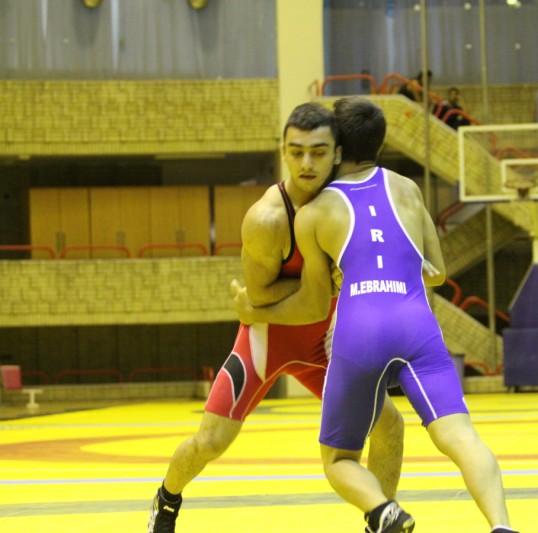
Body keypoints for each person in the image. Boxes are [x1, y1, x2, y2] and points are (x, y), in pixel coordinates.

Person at [232, 96, 517, 533]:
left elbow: (313, 304)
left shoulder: (313, 213)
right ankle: (502, 525)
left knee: (338, 460)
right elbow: (437, 273)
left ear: (338, 149)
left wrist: (255, 309)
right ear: (379, 144)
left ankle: (384, 511)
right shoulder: (407, 189)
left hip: (359, 333)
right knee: (462, 438)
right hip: (416, 325)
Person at [148, 103, 405, 533]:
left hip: (323, 344)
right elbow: (260, 297)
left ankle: (382, 521)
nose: (307, 163)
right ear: (283, 151)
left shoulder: (345, 201)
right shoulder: (267, 218)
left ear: (338, 153)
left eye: (318, 152)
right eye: (296, 151)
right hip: (266, 342)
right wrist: (327, 287)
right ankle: (167, 497)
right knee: (210, 441)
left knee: (390, 425)